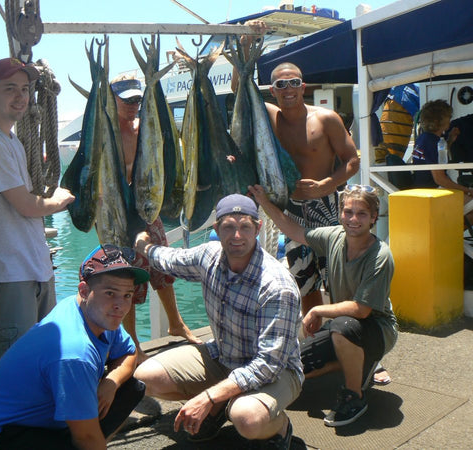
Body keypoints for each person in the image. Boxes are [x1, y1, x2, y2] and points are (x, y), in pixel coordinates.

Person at [134, 194, 303, 448]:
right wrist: (143, 247)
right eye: (228, 227)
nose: (237, 236)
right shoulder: (209, 256)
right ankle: (220, 406)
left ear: (258, 228)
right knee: (144, 377)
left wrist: (209, 397)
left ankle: (279, 427)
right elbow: (171, 261)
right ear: (216, 229)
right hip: (223, 356)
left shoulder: (277, 286)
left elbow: (268, 363)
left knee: (246, 418)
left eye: (245, 227)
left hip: (277, 372)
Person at [0, 245, 148, 450]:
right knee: (86, 439)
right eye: (110, 293)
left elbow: (130, 352)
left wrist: (112, 382)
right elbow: (85, 438)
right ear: (84, 291)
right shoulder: (75, 352)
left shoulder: (93, 312)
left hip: (40, 422)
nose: (120, 306)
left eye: (127, 295)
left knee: (132, 388)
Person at [234, 23, 360, 318]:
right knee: (306, 282)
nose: (287, 90)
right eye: (280, 85)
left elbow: (352, 161)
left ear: (303, 87)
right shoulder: (269, 116)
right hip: (291, 210)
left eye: (293, 83)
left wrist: (325, 185)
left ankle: (348, 338)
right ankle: (318, 341)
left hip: (328, 207)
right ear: (273, 90)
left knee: (340, 278)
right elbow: (239, 88)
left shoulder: (326, 118)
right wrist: (246, 45)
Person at [249, 183, 398, 427]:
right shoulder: (333, 237)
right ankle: (360, 362)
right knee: (296, 364)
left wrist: (318, 309)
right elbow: (293, 229)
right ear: (340, 214)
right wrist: (263, 201)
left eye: (361, 214)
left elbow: (362, 310)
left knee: (342, 326)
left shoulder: (380, 255)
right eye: (348, 212)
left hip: (378, 329)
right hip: (345, 328)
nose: (353, 219)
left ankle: (354, 395)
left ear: (373, 217)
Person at [0, 58, 76, 371]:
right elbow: (26, 206)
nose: (21, 96)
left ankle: (31, 418)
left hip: (32, 267)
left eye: (25, 89)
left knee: (39, 357)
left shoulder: (10, 140)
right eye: (10, 88)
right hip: (9, 271)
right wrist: (59, 199)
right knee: (10, 365)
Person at [110, 74, 201, 362]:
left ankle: (176, 323)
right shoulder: (108, 133)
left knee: (162, 267)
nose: (133, 106)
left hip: (149, 210)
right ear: (112, 99)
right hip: (119, 216)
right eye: (127, 101)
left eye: (138, 100)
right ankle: (133, 343)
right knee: (127, 280)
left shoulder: (146, 129)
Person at [411, 99, 473, 226]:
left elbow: (437, 157)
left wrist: (450, 140)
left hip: (426, 185)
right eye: (448, 117)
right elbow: (440, 179)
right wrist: (467, 190)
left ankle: (446, 234)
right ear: (440, 121)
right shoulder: (432, 142)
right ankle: (445, 235)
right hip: (432, 189)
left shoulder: (425, 138)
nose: (450, 119)